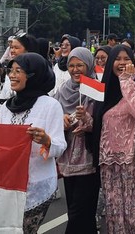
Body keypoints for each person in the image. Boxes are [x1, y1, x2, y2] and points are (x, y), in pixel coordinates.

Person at [90, 45, 135, 233]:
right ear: (111, 63)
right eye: (117, 59)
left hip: (133, 161)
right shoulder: (104, 91)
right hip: (108, 162)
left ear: (133, 63)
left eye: (127, 59)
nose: (122, 63)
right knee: (115, 213)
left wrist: (127, 81)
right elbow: (101, 122)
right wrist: (86, 121)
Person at [0, 53, 66, 233]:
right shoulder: (6, 107)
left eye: (18, 71)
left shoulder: (50, 105)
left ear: (33, 75)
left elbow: (60, 145)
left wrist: (46, 140)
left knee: (26, 230)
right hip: (10, 183)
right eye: (10, 70)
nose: (12, 75)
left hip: (38, 184)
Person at [57, 47, 100, 233]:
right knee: (78, 210)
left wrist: (87, 120)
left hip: (89, 158)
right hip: (68, 158)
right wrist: (62, 120)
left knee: (79, 211)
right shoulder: (63, 90)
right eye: (71, 65)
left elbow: (104, 124)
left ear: (88, 65)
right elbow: (54, 116)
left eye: (79, 65)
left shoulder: (97, 91)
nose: (75, 69)